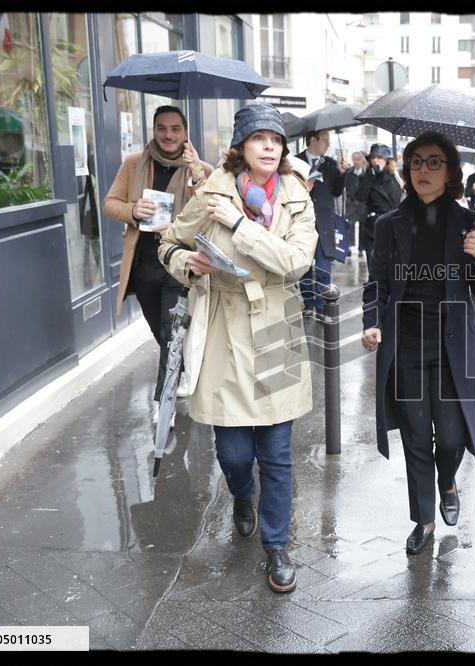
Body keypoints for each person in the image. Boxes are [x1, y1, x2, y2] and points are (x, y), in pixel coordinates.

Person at [157, 103, 317, 593]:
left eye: (276, 140)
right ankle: (241, 496)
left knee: (277, 450)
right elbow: (167, 243)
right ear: (241, 147)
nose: (269, 147)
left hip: (276, 325)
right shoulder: (210, 192)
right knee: (232, 451)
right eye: (259, 139)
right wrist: (188, 263)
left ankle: (277, 546)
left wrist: (241, 227)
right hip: (224, 326)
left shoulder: (296, 197)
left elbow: (296, 262)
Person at [361, 132, 475, 554]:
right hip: (406, 347)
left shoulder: (468, 224)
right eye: (416, 161)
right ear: (406, 169)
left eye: (434, 162)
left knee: (454, 437)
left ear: (451, 172)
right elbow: (376, 284)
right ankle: (423, 519)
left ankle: (448, 480)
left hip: (452, 349)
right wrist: (372, 323)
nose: (424, 169)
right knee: (417, 435)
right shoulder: (388, 225)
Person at [104, 105, 213, 426]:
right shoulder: (134, 164)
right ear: (154, 130)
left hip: (178, 265)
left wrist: (195, 172)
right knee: (162, 332)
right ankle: (176, 369)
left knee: (171, 333)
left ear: (185, 133)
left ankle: (162, 406)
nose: (168, 135)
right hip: (144, 266)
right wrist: (133, 209)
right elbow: (110, 204)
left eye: (175, 129)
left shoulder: (201, 168)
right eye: (162, 128)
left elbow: (209, 209)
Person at [297, 130, 346, 316]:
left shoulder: (331, 164)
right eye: (325, 140)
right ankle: (308, 303)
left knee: (324, 268)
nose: (327, 144)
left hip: (325, 224)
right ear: (312, 140)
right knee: (305, 267)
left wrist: (341, 174)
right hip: (302, 222)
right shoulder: (295, 162)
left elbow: (336, 192)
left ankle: (322, 305)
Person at [355, 143, 403, 264]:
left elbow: (397, 201)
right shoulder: (366, 177)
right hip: (373, 226)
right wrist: (370, 176)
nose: (376, 160)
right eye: (373, 157)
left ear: (387, 160)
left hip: (391, 226)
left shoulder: (395, 177)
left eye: (379, 157)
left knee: (390, 265)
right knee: (373, 264)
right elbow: (360, 196)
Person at [343, 151, 367, 255]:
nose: (356, 162)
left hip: (363, 204)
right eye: (354, 159)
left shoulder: (366, 173)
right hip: (351, 203)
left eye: (358, 159)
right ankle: (349, 247)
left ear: (362, 161)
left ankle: (361, 248)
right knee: (349, 225)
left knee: (363, 227)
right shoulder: (348, 172)